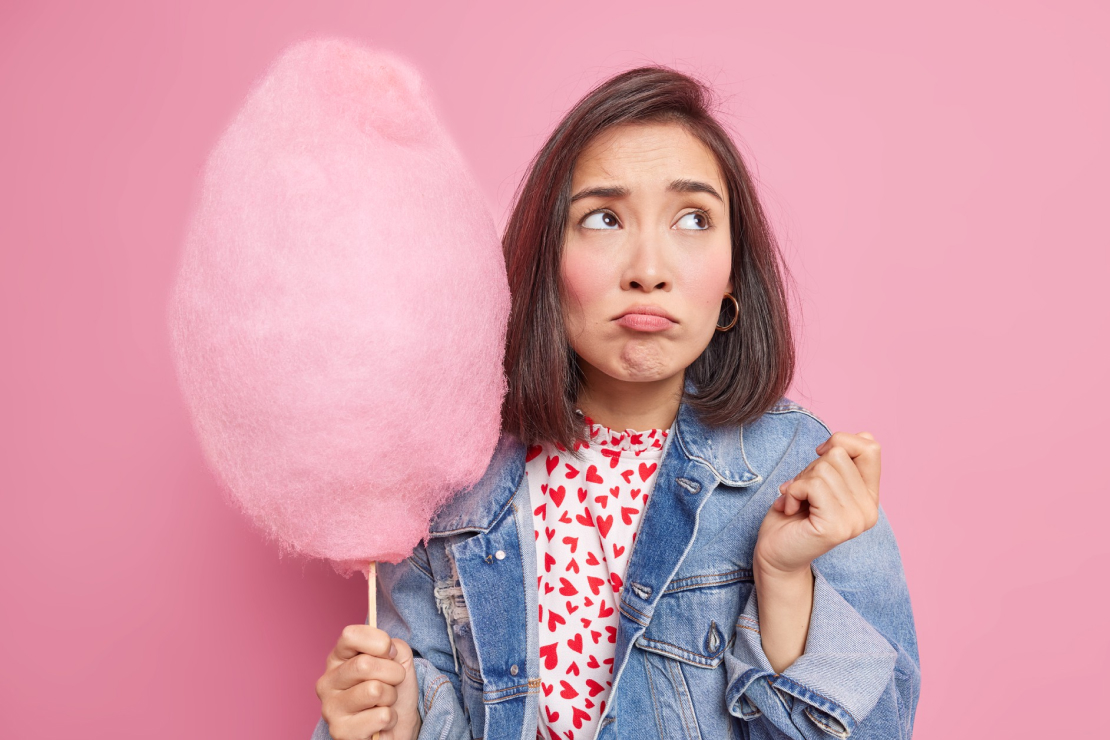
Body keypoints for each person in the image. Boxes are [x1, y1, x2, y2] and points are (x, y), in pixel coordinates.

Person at [312, 66, 920, 740]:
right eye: (603, 218)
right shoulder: (453, 478)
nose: (648, 270)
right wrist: (394, 720)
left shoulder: (800, 473)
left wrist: (782, 579)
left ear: (732, 279)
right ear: (546, 261)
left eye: (693, 219)